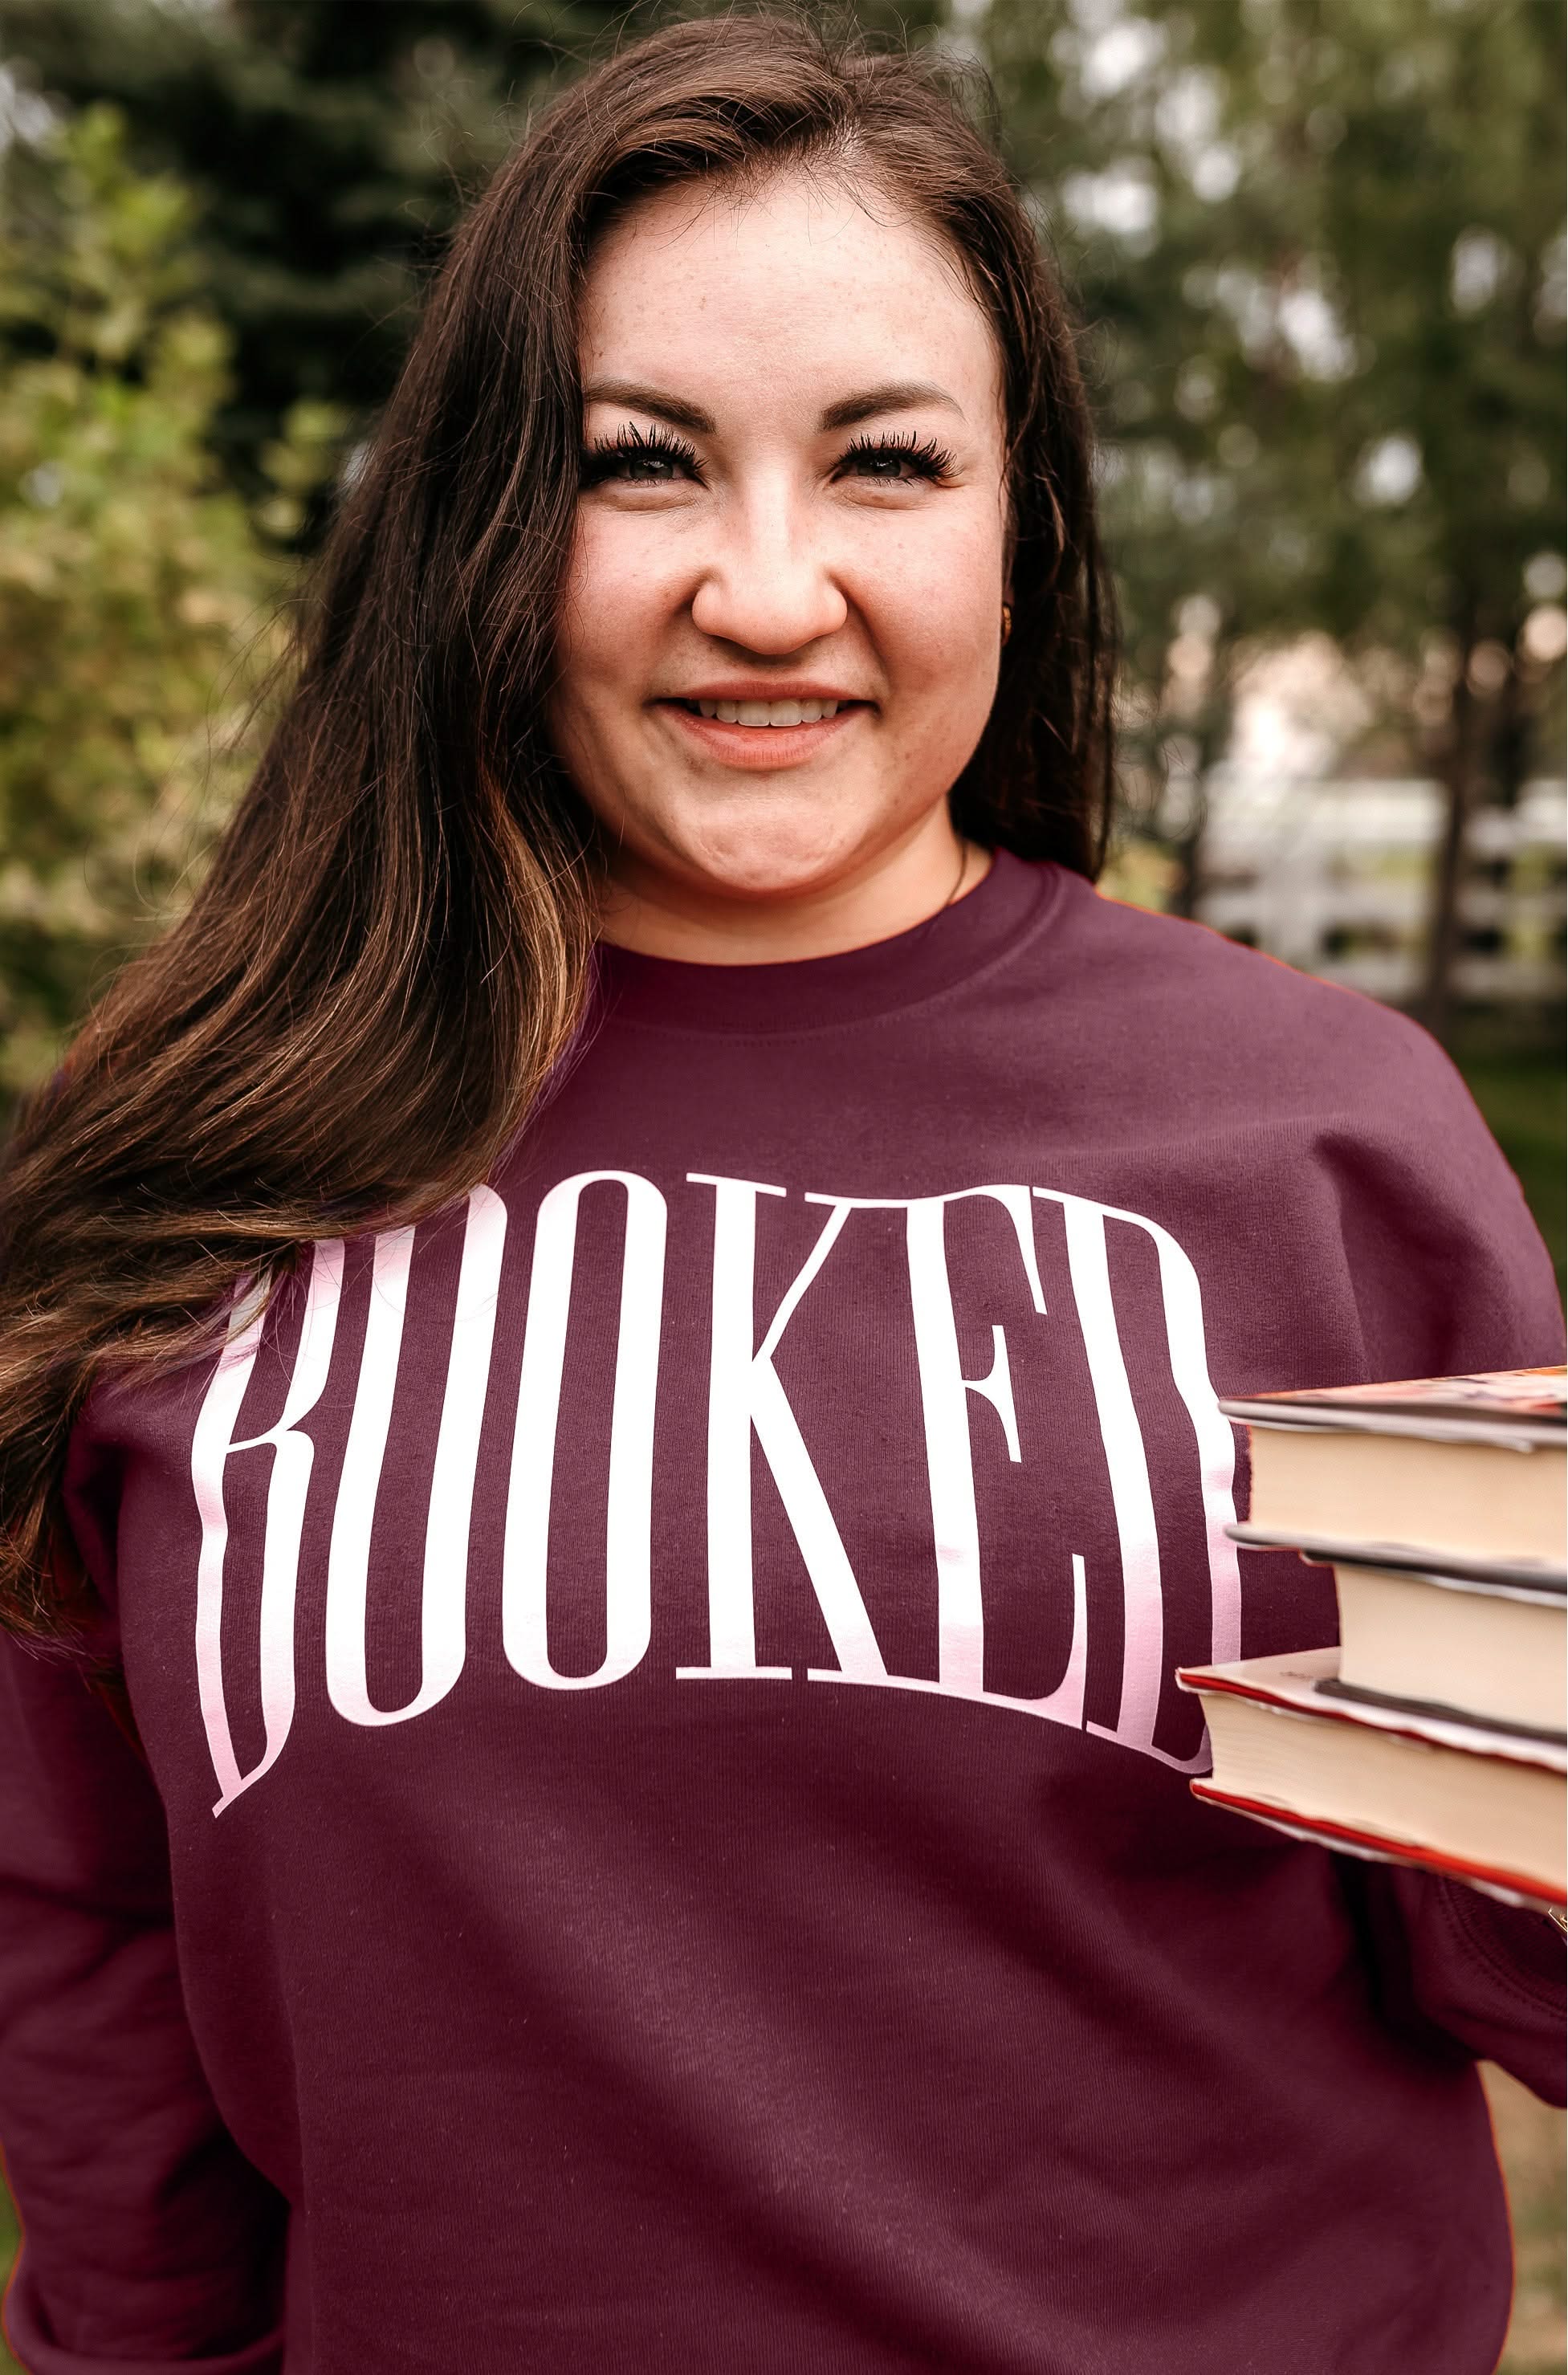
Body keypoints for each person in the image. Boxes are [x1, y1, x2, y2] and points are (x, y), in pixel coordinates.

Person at [0, 16, 1560, 2373]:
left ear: (1022, 526)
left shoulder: (1322, 1150)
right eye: (639, 464)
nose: (763, 588)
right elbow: (97, 1955)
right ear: (485, 526)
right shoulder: (201, 1157)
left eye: (885, 464)